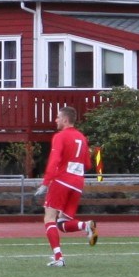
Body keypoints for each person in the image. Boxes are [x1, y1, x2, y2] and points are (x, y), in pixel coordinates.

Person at [34, 106, 98, 267]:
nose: (55, 120)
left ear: (65, 120)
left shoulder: (60, 136)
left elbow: (54, 160)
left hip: (61, 181)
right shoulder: (82, 138)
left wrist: (46, 182)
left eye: (57, 117)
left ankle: (58, 257)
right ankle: (86, 225)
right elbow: (88, 164)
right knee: (62, 224)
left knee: (49, 218)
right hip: (77, 184)